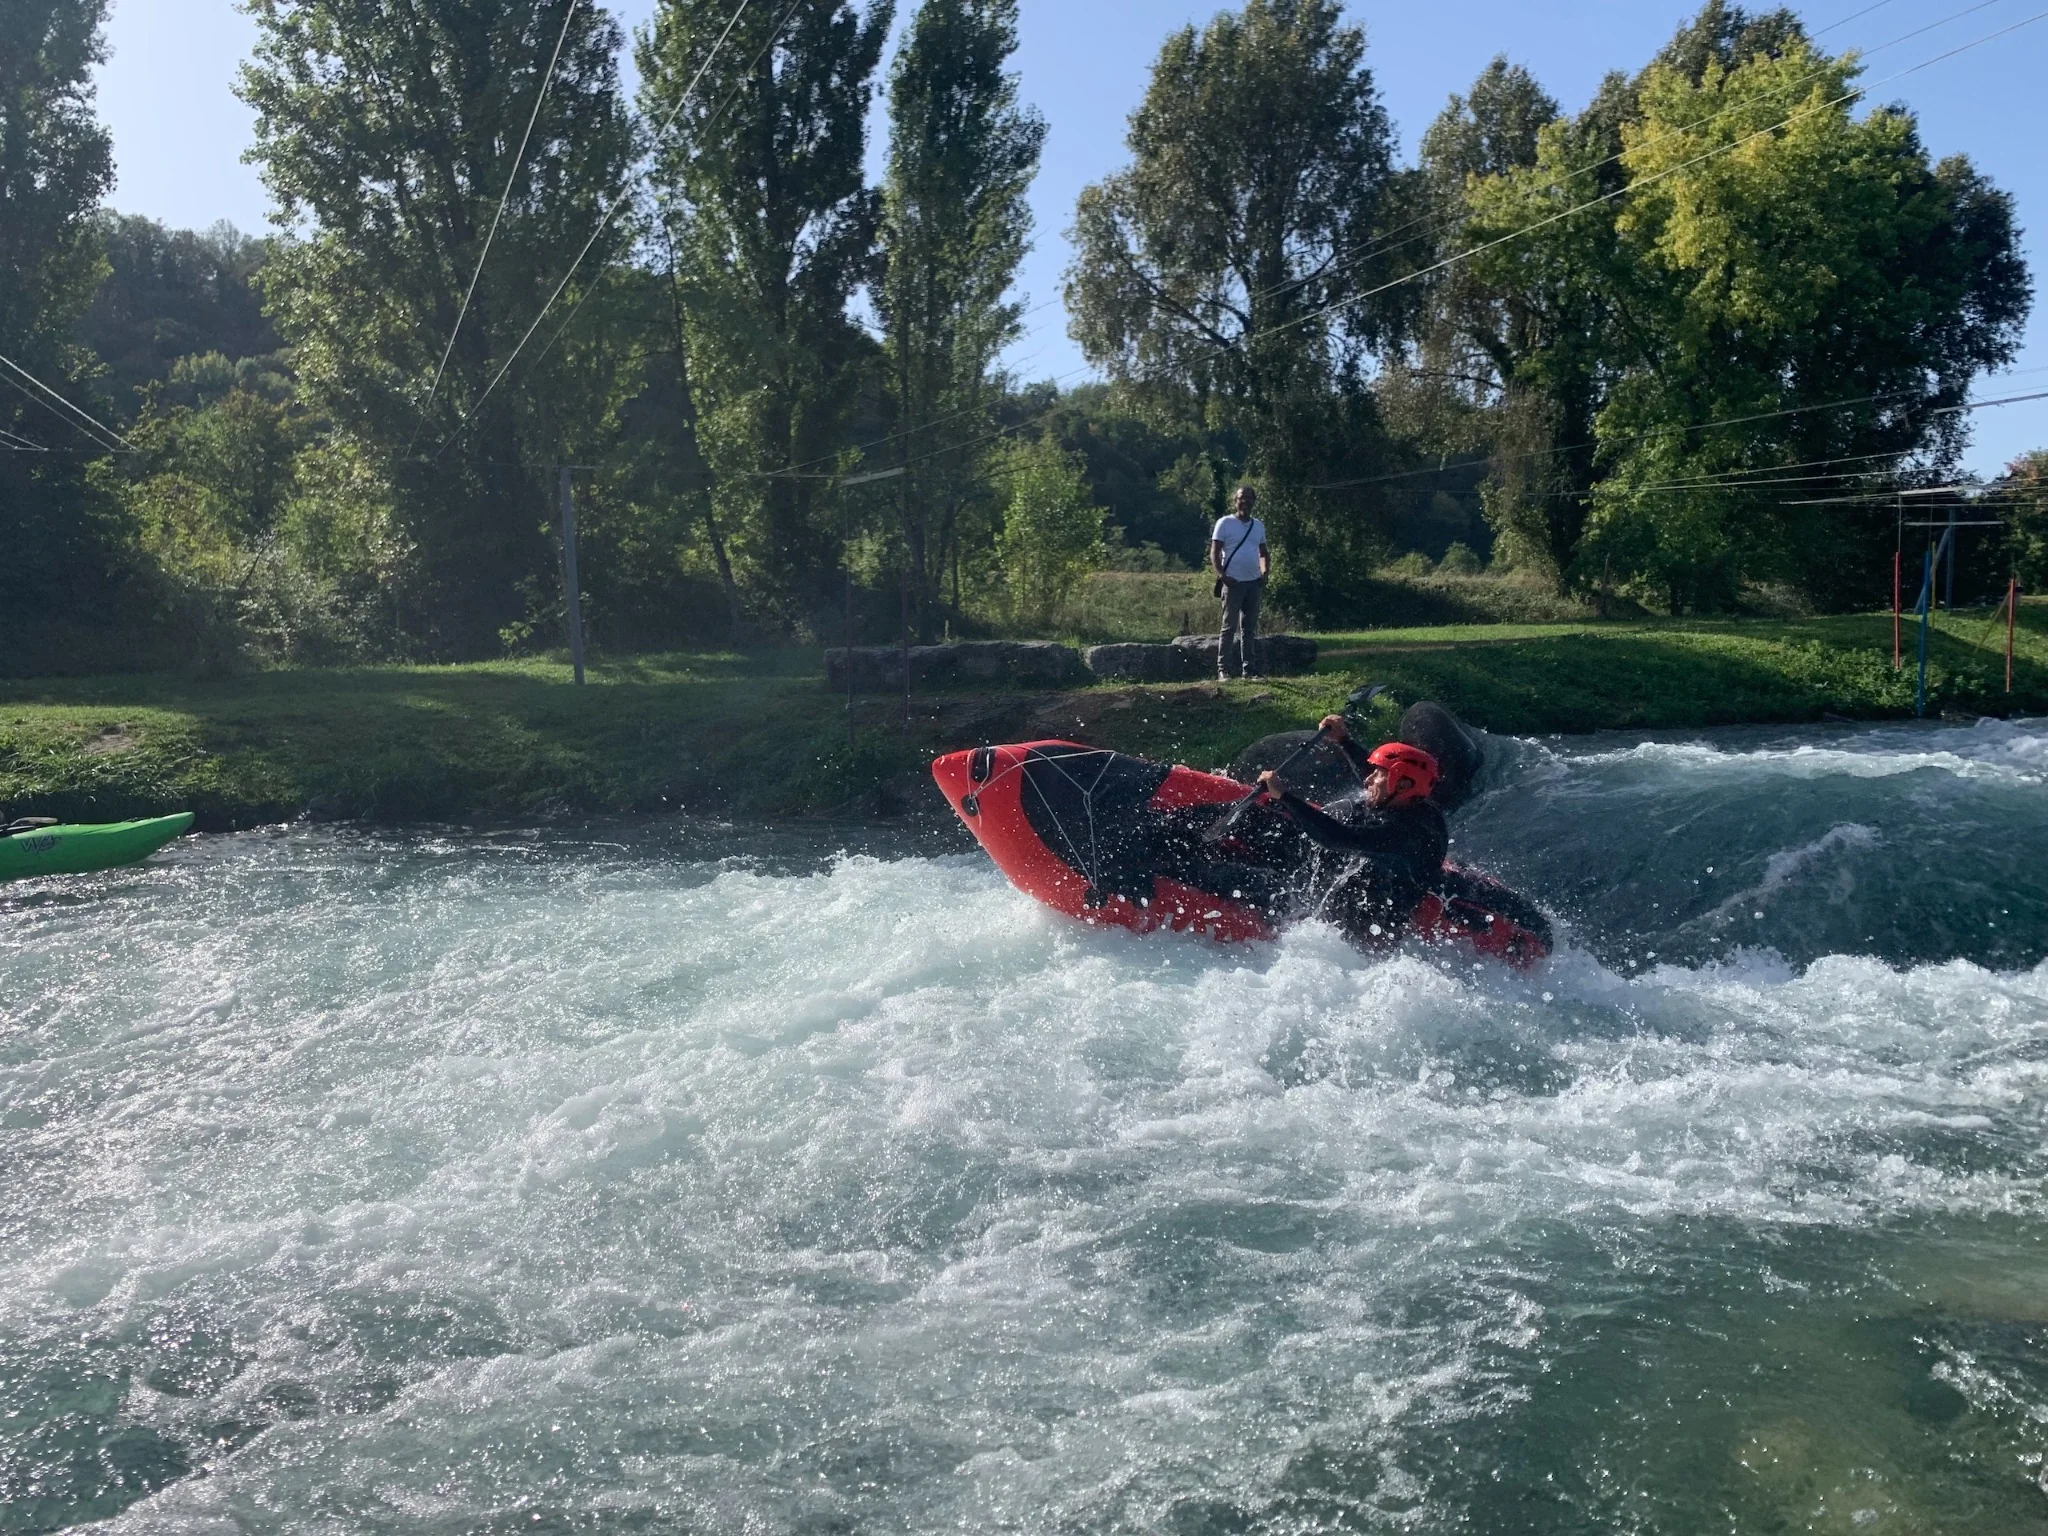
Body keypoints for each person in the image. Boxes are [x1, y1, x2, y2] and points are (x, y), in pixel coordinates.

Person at [1257, 716, 1448, 951]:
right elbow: (1374, 775)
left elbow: (1339, 838)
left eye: (1377, 775)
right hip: (1374, 873)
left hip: (1373, 918)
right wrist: (1343, 740)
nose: (1368, 779)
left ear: (1402, 785)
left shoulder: (1409, 831)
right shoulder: (1403, 799)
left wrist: (1285, 797)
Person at [1210, 485, 1270, 681]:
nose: (1245, 502)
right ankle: (1223, 669)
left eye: (1249, 498)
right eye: (1241, 498)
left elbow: (1263, 552)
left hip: (1253, 583)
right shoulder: (1224, 523)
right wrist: (1222, 575)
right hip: (1233, 583)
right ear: (1235, 501)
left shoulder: (1258, 526)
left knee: (1249, 628)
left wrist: (1265, 572)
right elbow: (1215, 552)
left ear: (1254, 501)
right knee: (1228, 627)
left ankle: (1249, 669)